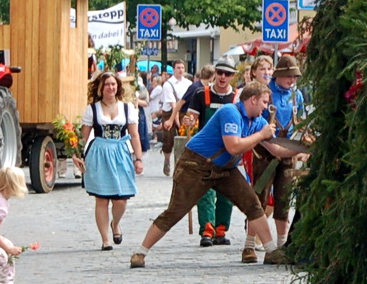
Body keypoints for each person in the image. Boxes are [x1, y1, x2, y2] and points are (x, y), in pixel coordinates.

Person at [132, 82, 279, 267]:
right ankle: (140, 252)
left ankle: (271, 251)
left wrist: (303, 149)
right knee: (175, 212)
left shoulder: (258, 122)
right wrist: (261, 135)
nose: (266, 107)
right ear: (253, 100)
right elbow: (233, 147)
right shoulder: (230, 112)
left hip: (224, 168)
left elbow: (276, 149)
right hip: (196, 165)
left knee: (253, 205)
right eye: (264, 102)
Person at [170, 61, 238, 246]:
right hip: (206, 152)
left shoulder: (236, 97)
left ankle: (221, 230)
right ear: (215, 73)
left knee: (226, 193)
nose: (223, 77)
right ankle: (207, 230)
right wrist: (189, 122)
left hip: (228, 151)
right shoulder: (201, 93)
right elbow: (192, 118)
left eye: (227, 74)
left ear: (232, 76)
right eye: (220, 72)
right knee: (205, 191)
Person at [79, 72, 143, 251]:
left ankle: (116, 223)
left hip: (121, 153)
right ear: (101, 88)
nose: (111, 87)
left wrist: (138, 158)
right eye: (107, 84)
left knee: (121, 200)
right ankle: (105, 239)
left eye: (113, 84)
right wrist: (78, 155)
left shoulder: (127, 108)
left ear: (118, 87)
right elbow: (83, 136)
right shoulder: (92, 109)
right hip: (99, 153)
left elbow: (134, 135)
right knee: (101, 199)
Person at [253, 56, 307, 253]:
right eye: (288, 76)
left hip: (288, 150)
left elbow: (301, 122)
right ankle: (250, 244)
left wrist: (302, 145)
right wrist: (268, 145)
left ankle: (282, 244)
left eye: (294, 76)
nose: (292, 80)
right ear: (278, 75)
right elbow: (256, 122)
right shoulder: (266, 93)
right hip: (265, 150)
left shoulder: (297, 95)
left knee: (284, 198)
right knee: (259, 198)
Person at [151, 62, 192, 176]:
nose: (181, 70)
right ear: (174, 69)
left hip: (184, 111)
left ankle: (182, 164)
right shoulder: (168, 84)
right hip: (169, 112)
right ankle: (167, 160)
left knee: (185, 137)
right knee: (168, 139)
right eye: (178, 68)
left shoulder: (188, 83)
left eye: (182, 68)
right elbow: (173, 103)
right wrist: (176, 119)